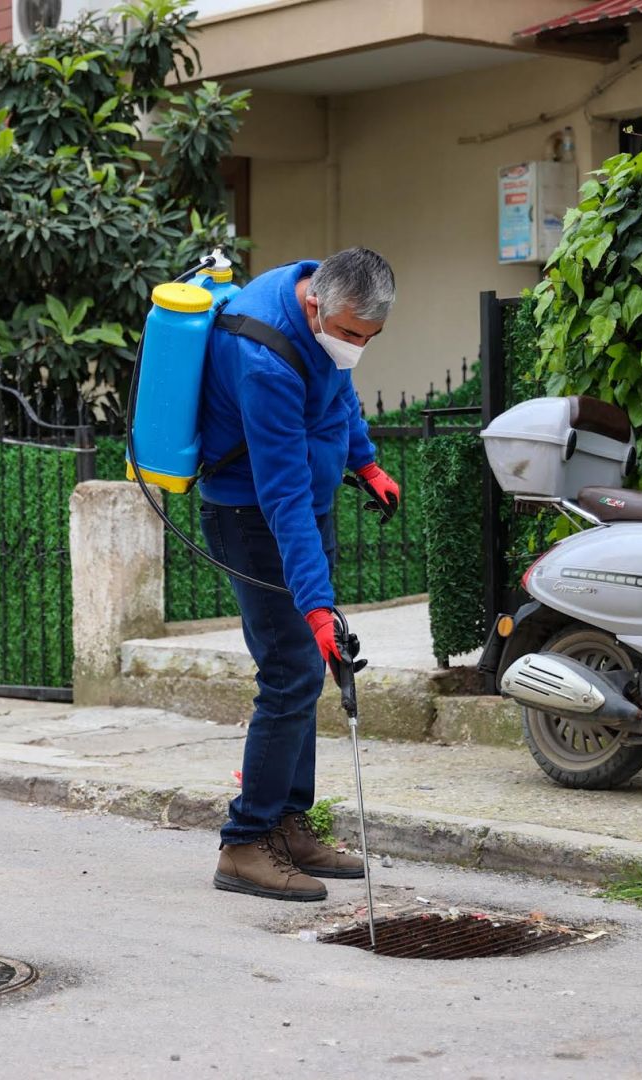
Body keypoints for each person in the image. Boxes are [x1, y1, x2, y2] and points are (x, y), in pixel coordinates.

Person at [196, 247, 400, 902]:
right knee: (289, 671)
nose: (355, 348)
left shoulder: (324, 320)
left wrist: (365, 464)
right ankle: (245, 843)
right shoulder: (264, 356)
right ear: (315, 304)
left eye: (368, 339)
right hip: (250, 514)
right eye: (348, 334)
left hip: (300, 508)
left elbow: (339, 395)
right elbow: (280, 495)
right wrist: (317, 610)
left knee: (307, 672)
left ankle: (288, 824)